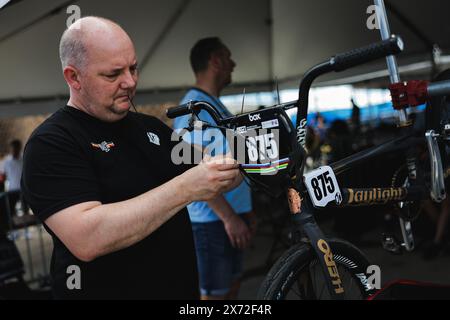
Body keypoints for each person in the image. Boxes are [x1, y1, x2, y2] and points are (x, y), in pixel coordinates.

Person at [21, 17, 242, 300]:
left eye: (133, 68)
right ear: (73, 77)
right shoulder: (51, 143)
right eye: (113, 74)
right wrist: (186, 187)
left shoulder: (150, 128)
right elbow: (88, 238)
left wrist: (249, 154)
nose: (130, 82)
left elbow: (213, 168)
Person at [173, 37, 255, 300]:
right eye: (228, 57)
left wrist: (244, 211)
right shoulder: (193, 109)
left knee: (231, 289)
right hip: (213, 222)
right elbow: (192, 170)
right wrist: (230, 218)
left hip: (229, 218)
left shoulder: (212, 105)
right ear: (216, 61)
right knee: (213, 297)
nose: (234, 64)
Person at [3, 139, 28, 217]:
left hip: (24, 189)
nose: (14, 150)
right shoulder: (7, 161)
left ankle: (26, 221)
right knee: (11, 209)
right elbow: (4, 175)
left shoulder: (24, 159)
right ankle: (13, 223)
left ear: (19, 148)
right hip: (12, 190)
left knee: (25, 209)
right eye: (13, 148)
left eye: (16, 148)